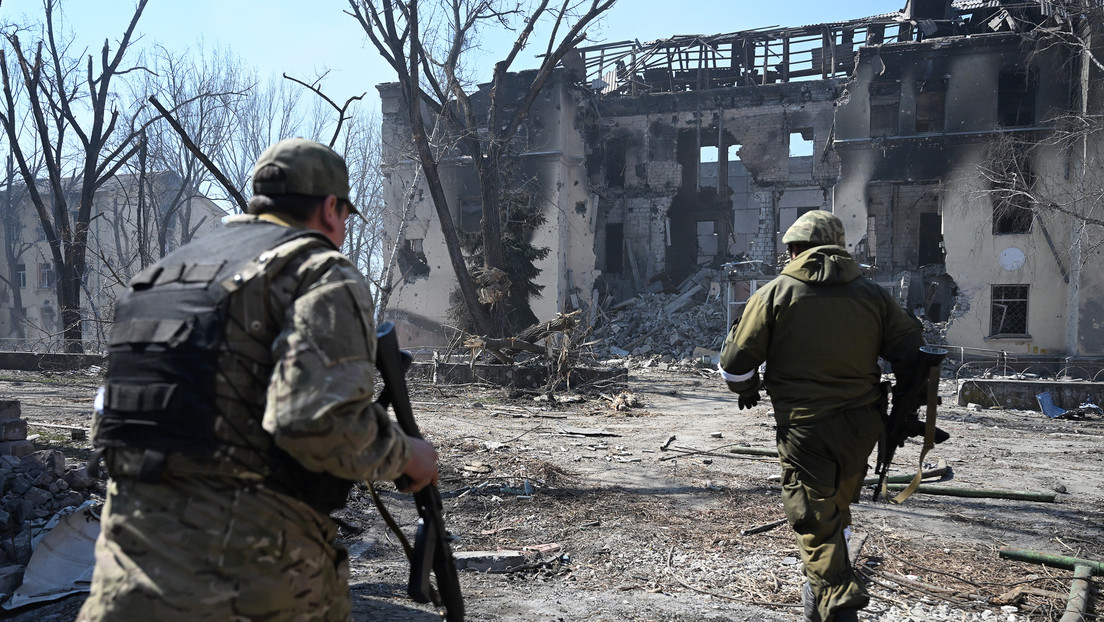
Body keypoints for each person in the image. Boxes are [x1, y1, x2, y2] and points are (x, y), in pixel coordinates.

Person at [79, 138, 440, 622]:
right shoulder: (319, 270)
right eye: (346, 218)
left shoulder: (161, 277)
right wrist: (405, 456)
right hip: (250, 580)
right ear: (332, 208)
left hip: (127, 574)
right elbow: (314, 423)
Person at [717, 210, 923, 622]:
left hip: (805, 429)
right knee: (835, 508)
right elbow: (914, 355)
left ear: (793, 249)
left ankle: (838, 603)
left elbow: (735, 364)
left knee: (814, 520)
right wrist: (905, 408)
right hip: (864, 426)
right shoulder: (875, 295)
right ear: (839, 247)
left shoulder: (775, 294)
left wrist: (747, 389)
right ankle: (818, 600)